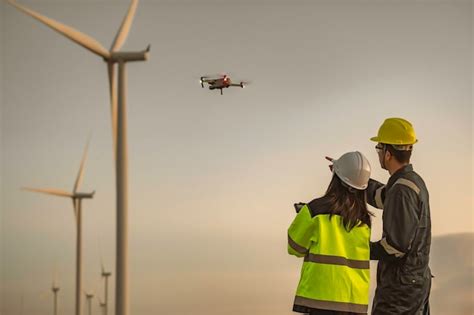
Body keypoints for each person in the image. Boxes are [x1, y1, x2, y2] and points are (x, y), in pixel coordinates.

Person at [288, 151, 373, 315]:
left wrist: (303, 217)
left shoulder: (314, 210)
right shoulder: (364, 220)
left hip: (319, 300)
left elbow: (294, 248)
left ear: (336, 178)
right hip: (354, 302)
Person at [366, 117, 432, 314]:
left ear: (387, 153)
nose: (378, 153)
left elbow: (395, 248)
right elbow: (380, 197)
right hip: (412, 284)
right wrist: (353, 177)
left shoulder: (402, 190)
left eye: (378, 148)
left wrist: (358, 247)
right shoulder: (409, 182)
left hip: (400, 292)